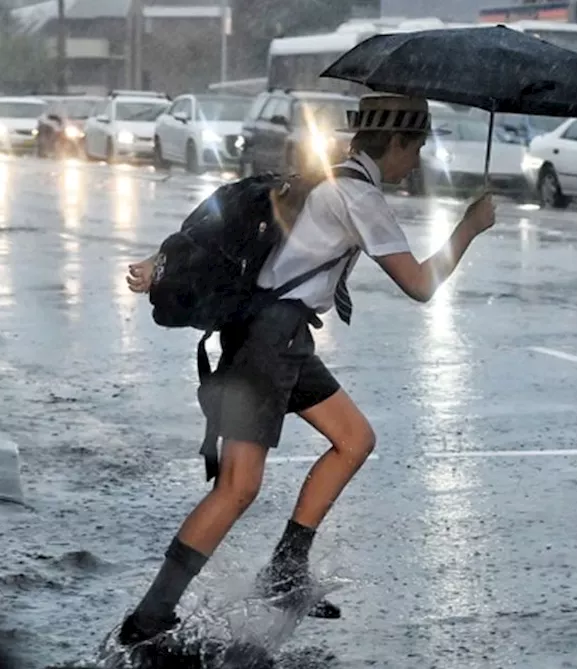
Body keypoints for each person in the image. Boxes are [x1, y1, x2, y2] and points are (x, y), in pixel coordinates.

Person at [116, 93, 497, 649]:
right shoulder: (358, 195)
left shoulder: (325, 176)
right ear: (393, 143)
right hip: (270, 342)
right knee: (237, 488)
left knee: (354, 439)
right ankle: (149, 619)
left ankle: (286, 571)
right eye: (413, 149)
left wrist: (161, 259)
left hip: (281, 336)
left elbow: (230, 221)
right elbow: (419, 284)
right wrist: (468, 227)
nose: (415, 162)